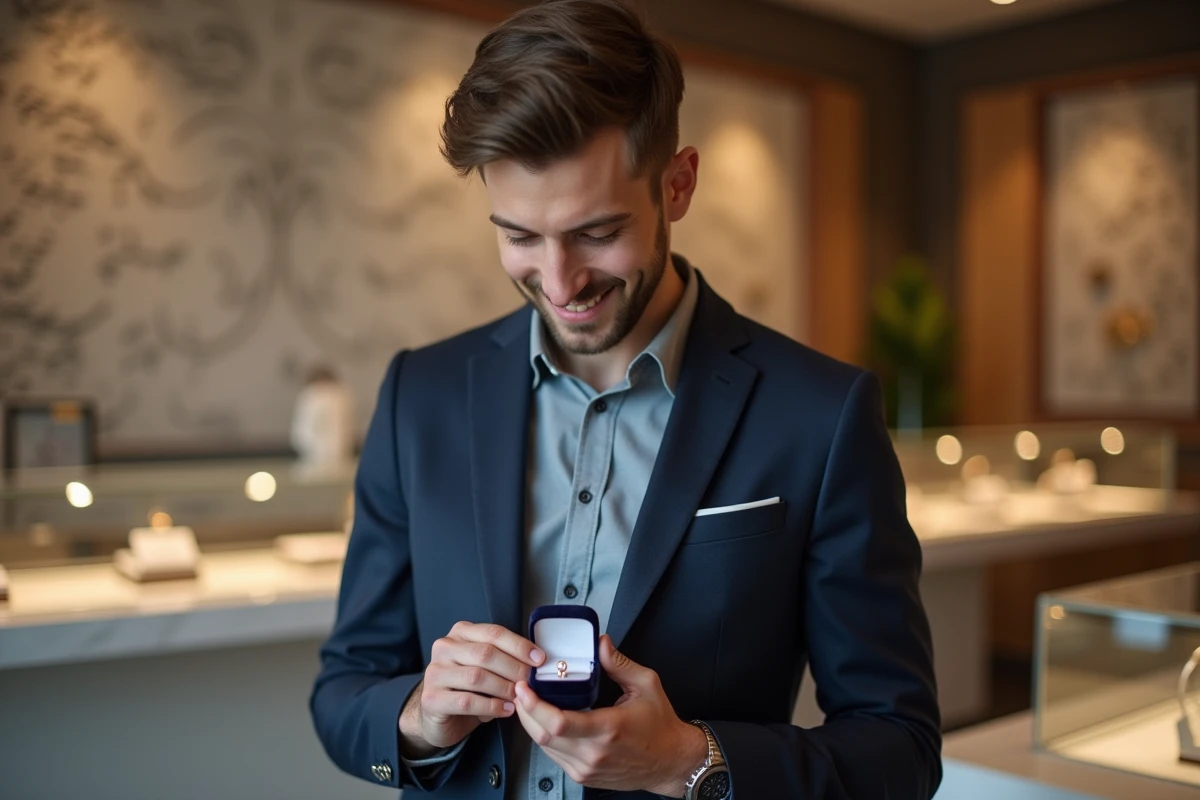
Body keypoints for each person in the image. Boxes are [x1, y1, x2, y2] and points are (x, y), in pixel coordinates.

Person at [310, 1, 941, 798]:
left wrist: (687, 761)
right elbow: (344, 690)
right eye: (519, 236)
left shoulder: (821, 414)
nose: (561, 281)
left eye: (596, 232)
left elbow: (901, 749)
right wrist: (419, 718)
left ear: (677, 186)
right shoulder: (421, 394)